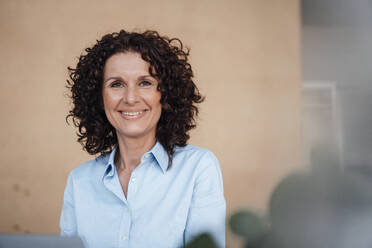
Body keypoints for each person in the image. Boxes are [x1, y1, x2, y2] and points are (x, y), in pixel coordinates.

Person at [60, 29, 226, 248]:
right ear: (99, 98)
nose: (130, 98)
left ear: (165, 94)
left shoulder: (198, 169)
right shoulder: (79, 181)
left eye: (145, 82)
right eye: (116, 84)